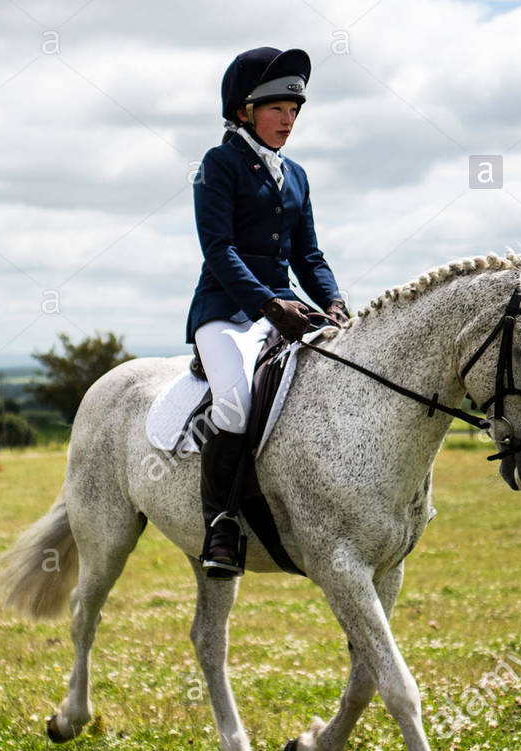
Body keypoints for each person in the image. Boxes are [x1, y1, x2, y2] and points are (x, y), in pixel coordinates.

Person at [186, 46, 349, 577]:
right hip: (227, 311)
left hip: (285, 308)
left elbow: (309, 254)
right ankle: (222, 524)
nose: (289, 119)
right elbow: (219, 249)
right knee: (234, 402)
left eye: (295, 110)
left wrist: (332, 301)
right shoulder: (219, 164)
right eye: (278, 108)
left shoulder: (297, 174)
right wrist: (267, 303)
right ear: (243, 111)